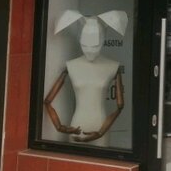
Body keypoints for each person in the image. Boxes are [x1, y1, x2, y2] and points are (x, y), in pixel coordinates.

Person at [44, 10, 128, 147]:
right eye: (85, 45)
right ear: (80, 41)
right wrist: (59, 127)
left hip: (101, 127)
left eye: (95, 45)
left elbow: (120, 106)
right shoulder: (71, 66)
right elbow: (48, 101)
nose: (89, 50)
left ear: (103, 40)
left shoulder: (113, 66)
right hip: (77, 127)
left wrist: (100, 132)